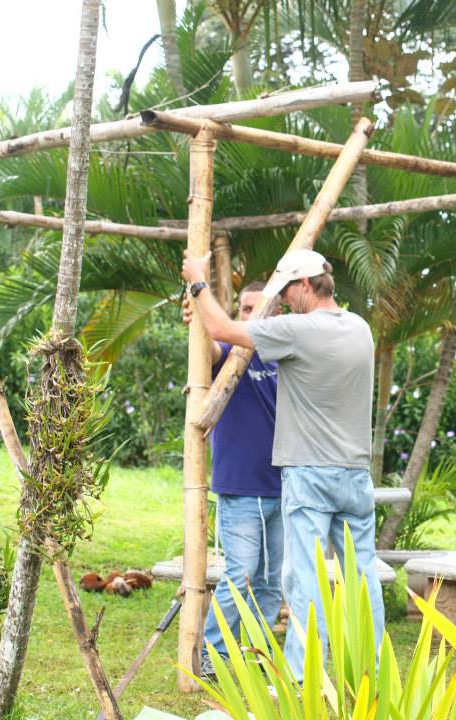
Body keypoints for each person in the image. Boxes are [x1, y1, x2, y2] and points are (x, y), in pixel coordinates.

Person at [181, 248, 384, 679]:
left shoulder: (298, 331)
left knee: (304, 581)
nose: (283, 301)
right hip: (355, 474)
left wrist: (199, 282)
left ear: (306, 285)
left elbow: (221, 327)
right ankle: (373, 668)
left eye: (287, 291)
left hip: (310, 473)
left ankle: (301, 677)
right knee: (362, 576)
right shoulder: (360, 329)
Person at [183, 281, 282, 677]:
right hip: (240, 487)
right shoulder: (231, 355)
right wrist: (200, 325)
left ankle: (256, 655)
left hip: (285, 487)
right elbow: (207, 351)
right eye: (244, 309)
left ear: (277, 314)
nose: (251, 316)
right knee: (240, 575)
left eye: (260, 309)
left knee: (271, 582)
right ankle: (214, 654)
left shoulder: (286, 353)